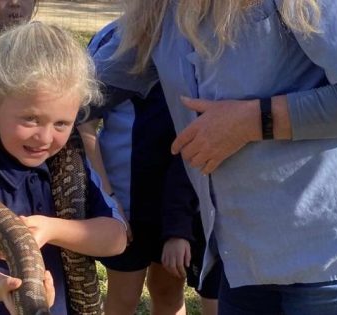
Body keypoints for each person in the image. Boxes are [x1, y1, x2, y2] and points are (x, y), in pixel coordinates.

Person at [86, 0, 337, 314]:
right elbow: (84, 93)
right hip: (241, 262)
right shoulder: (161, 9)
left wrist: (254, 121)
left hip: (327, 265)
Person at [0, 22, 128, 315]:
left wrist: (51, 228)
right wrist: (5, 287)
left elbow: (116, 239)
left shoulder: (74, 165)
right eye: (31, 119)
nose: (45, 138)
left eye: (61, 123)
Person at [80, 21, 218, 315]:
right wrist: (108, 196)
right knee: (124, 296)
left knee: (168, 289)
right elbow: (82, 120)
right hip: (128, 201)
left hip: (182, 198)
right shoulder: (116, 39)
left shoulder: (203, 35)